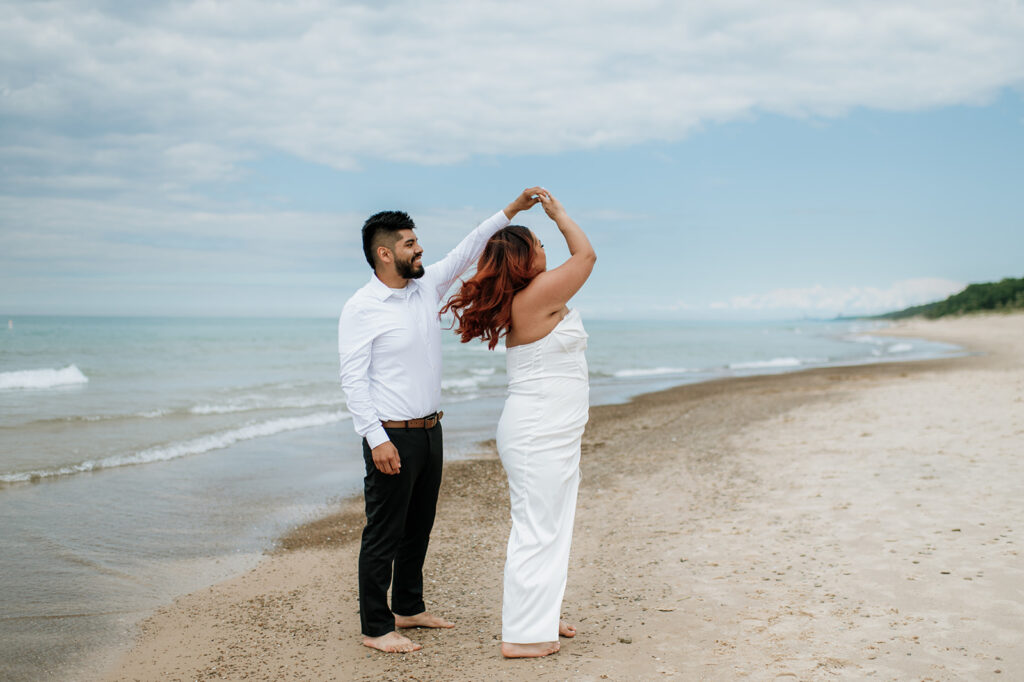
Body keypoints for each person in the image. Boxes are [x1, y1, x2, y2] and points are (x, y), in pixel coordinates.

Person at [337, 188, 543, 654]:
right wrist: (376, 440)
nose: (420, 249)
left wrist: (511, 210)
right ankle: (376, 627)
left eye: (417, 241)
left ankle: (408, 607)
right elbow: (353, 381)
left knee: (420, 524)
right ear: (385, 253)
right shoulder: (362, 308)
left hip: (431, 430)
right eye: (410, 244)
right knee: (383, 532)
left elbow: (470, 246)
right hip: (391, 434)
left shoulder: (425, 287)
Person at [442, 189, 596, 658]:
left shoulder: (532, 295)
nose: (548, 251)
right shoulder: (537, 295)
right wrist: (559, 214)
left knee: (552, 523)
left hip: (550, 428)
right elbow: (586, 255)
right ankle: (524, 637)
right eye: (540, 244)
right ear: (525, 258)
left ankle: (540, 614)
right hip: (538, 431)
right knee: (538, 527)